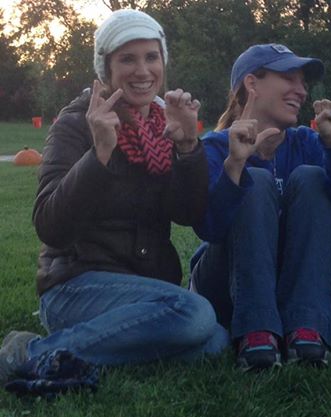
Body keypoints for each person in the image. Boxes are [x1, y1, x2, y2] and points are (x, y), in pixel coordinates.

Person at [0, 9, 229, 386]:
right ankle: (29, 353)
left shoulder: (163, 123)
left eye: (151, 57)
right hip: (76, 286)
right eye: (127, 59)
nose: (142, 70)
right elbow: (51, 227)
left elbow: (187, 213)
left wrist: (189, 147)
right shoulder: (76, 124)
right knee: (196, 316)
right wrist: (100, 154)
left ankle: (93, 349)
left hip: (143, 288)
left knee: (214, 342)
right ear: (105, 67)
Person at [189, 44, 331, 371]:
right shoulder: (215, 146)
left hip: (299, 283)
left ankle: (307, 328)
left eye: (303, 83)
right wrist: (235, 166)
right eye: (289, 78)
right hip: (229, 286)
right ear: (252, 83)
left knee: (311, 177)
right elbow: (209, 229)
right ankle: (256, 332)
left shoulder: (307, 143)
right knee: (254, 180)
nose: (302, 90)